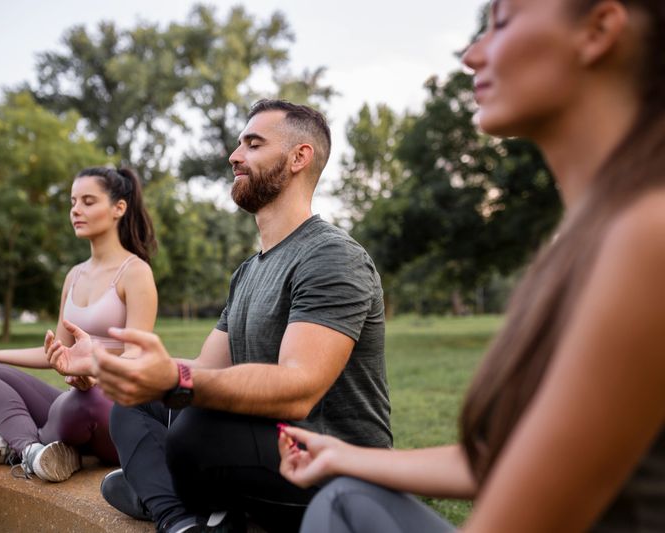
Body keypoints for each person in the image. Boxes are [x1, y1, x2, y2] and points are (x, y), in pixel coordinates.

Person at [277, 0, 665, 531]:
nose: (472, 55)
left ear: (598, 30)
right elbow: (506, 459)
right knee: (343, 496)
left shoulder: (648, 236)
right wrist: (341, 454)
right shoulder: (588, 234)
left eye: (501, 23)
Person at [92, 100, 392, 533]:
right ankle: (184, 521)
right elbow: (207, 369)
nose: (234, 156)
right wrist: (119, 366)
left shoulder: (332, 256)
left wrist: (178, 382)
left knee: (194, 431)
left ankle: (161, 490)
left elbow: (299, 390)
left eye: (253, 144)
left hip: (334, 469)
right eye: (238, 144)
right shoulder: (249, 272)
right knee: (133, 405)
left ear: (298, 157)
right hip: (265, 445)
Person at [0, 167, 157, 483]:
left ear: (119, 208)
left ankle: (15, 443)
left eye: (88, 201)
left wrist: (94, 369)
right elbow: (56, 354)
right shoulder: (74, 276)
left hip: (113, 408)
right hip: (75, 400)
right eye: (73, 202)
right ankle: (34, 451)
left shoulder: (135, 272)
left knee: (80, 402)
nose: (76, 210)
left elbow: (138, 358)